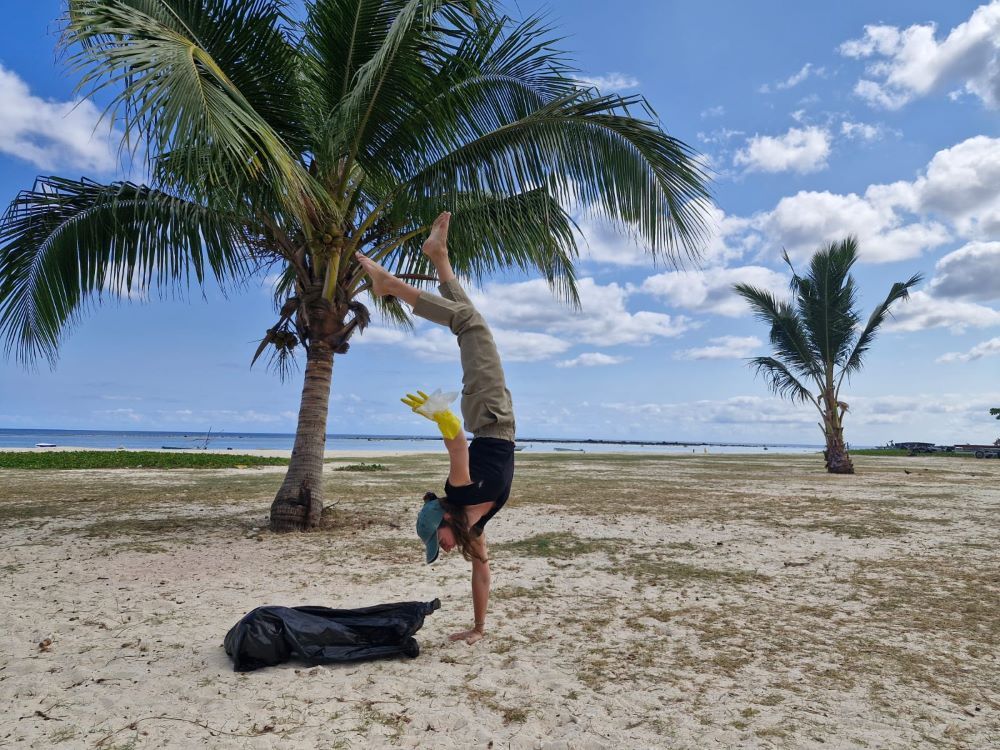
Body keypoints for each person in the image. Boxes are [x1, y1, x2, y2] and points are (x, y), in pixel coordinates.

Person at [355, 212, 516, 645]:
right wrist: (479, 628)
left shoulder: (460, 493)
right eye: (439, 547)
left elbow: (459, 449)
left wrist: (442, 417)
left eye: (437, 540)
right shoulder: (475, 530)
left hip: (489, 419)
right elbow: (481, 573)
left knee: (471, 325)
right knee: (469, 321)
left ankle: (393, 287)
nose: (442, 548)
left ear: (445, 516)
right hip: (495, 420)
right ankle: (439, 258)